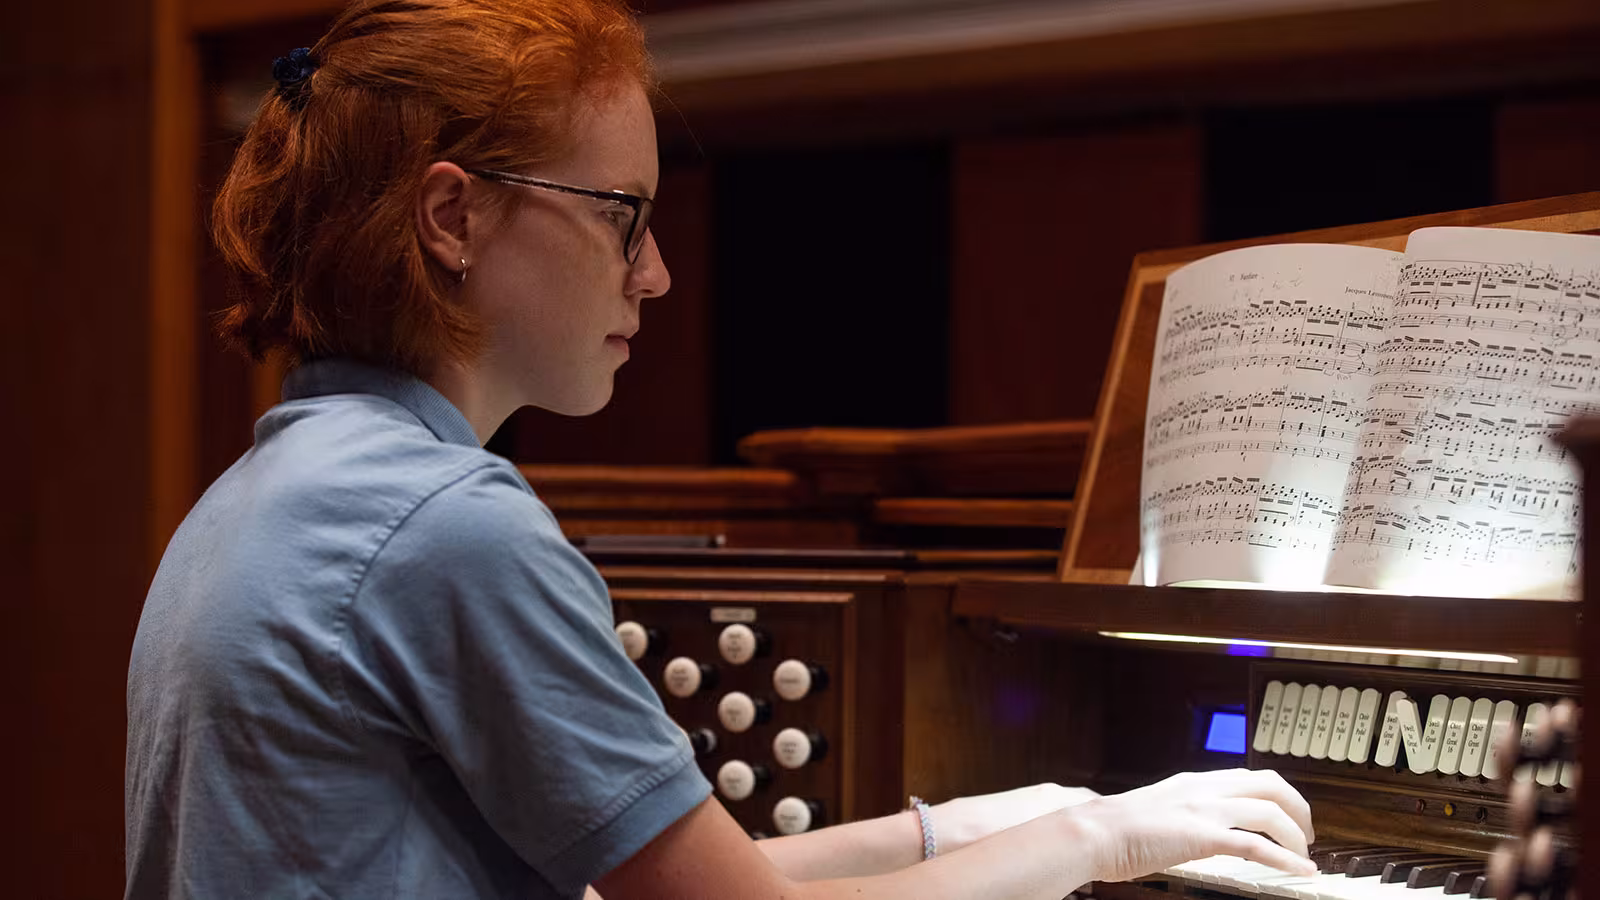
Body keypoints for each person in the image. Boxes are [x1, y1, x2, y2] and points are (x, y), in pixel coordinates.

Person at [123, 0, 1319, 897]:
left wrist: (980, 822)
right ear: (454, 216)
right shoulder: (446, 526)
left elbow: (674, 877)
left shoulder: (268, 491)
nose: (654, 273)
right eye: (620, 216)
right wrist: (1101, 841)